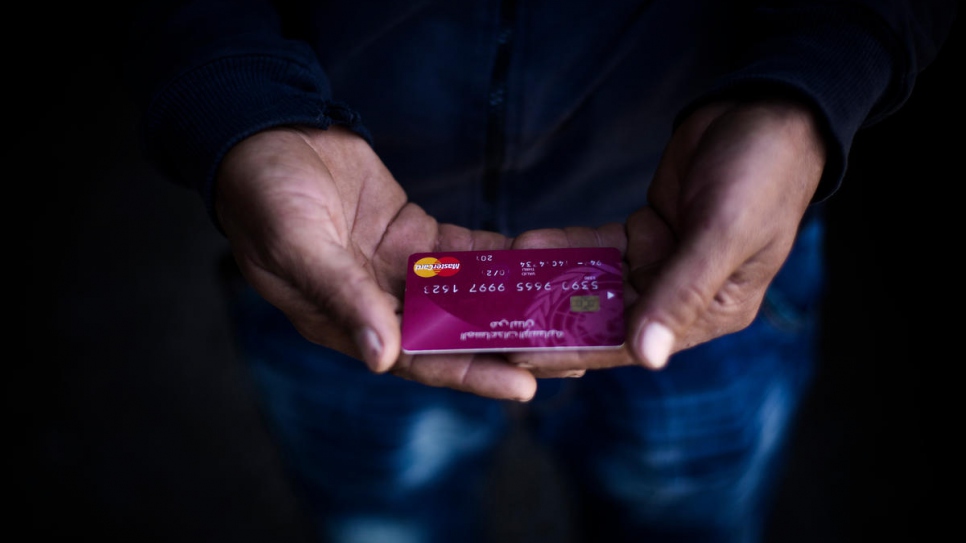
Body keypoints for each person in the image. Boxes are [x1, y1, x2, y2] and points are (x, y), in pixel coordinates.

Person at [121, 1, 957, 542]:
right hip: (336, 260)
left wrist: (806, 95)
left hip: (701, 245)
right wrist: (238, 105)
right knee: (380, 525)